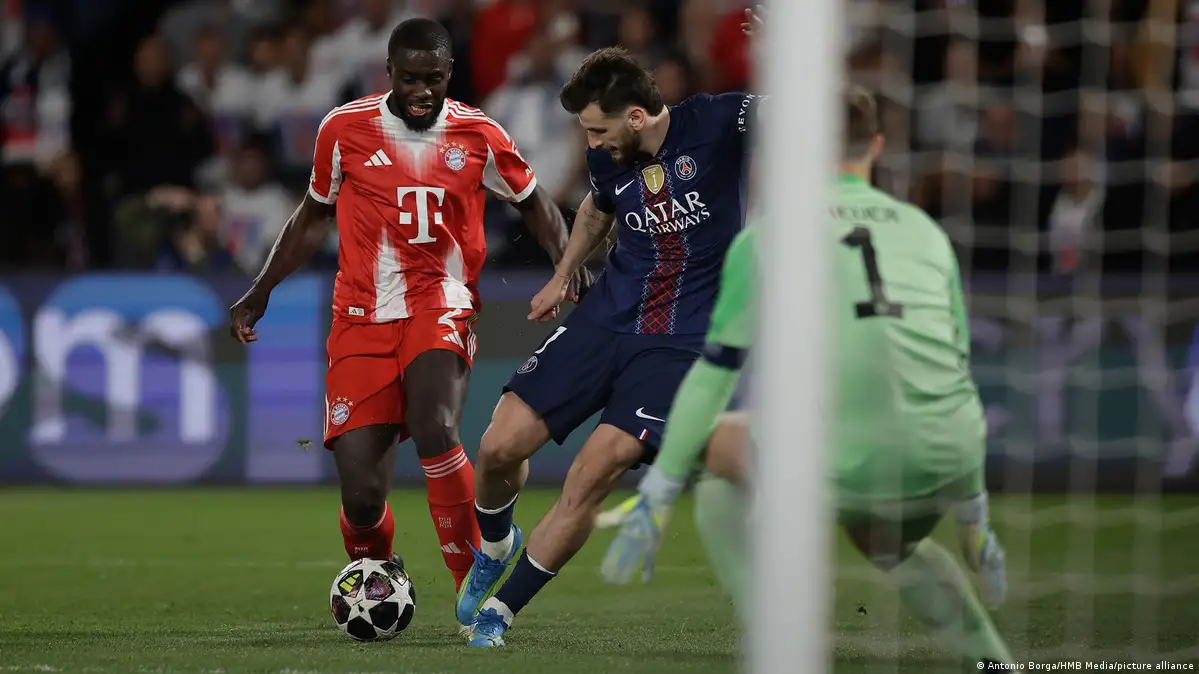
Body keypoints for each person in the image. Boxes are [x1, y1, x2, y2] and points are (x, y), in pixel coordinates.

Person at [600, 85, 1013, 667]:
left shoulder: (774, 236)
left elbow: (716, 375)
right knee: (885, 541)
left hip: (858, 452)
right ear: (876, 145)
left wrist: (658, 491)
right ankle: (993, 659)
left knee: (716, 460)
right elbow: (958, 364)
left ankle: (785, 649)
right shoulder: (926, 232)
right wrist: (974, 512)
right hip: (953, 457)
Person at [227, 18, 587, 635]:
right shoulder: (343, 129)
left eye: (435, 78)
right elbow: (312, 216)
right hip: (360, 317)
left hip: (440, 301)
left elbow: (532, 200)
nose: (423, 91)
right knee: (361, 498)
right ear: (388, 72)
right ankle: (378, 573)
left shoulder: (479, 133)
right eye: (411, 78)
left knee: (433, 423)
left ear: (450, 74)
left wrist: (565, 262)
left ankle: (472, 586)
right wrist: (260, 290)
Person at [454, 43, 765, 647]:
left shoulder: (719, 120)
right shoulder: (608, 154)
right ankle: (494, 546)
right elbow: (599, 208)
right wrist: (564, 270)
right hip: (606, 317)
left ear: (637, 117)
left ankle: (501, 612)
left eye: (597, 129)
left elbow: (806, 109)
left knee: (594, 470)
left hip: (681, 342)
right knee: (497, 446)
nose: (590, 142)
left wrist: (782, 51)